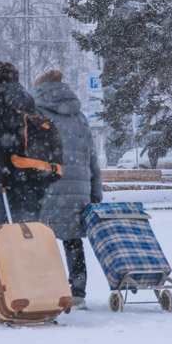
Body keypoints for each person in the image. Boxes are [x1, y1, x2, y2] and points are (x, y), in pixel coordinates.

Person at [33, 69, 103, 310]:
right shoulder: (79, 116)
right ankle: (78, 291)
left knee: (44, 239)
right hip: (79, 188)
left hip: (49, 184)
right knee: (73, 240)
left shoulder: (37, 113)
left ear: (40, 88)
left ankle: (49, 288)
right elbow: (92, 156)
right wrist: (95, 191)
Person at [0, 60, 48, 232]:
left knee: (0, 241)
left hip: (0, 187)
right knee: (28, 237)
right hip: (32, 185)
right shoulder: (31, 106)